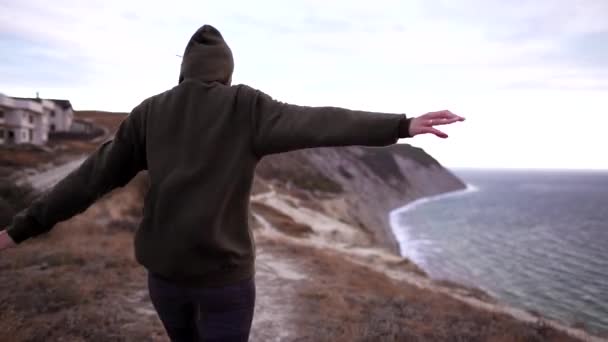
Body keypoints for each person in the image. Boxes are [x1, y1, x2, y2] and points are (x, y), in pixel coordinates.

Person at [0, 24, 465, 341]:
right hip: (225, 282)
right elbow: (323, 122)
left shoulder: (149, 113)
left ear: (184, 67)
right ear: (226, 69)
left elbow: (88, 180)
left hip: (165, 279)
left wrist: (20, 228)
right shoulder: (246, 107)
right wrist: (401, 124)